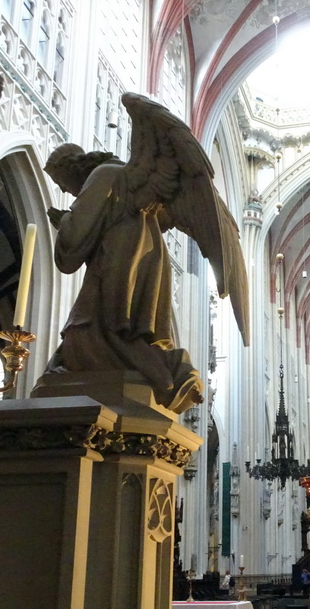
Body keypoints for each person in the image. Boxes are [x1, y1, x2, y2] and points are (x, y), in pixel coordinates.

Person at [38, 94, 248, 413]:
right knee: (112, 337)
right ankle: (168, 371)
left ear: (70, 168)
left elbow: (72, 248)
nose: (66, 190)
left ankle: (170, 373)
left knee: (95, 338)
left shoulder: (101, 177)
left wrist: (64, 220)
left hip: (122, 260)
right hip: (140, 253)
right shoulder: (122, 176)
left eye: (62, 182)